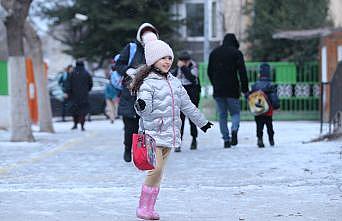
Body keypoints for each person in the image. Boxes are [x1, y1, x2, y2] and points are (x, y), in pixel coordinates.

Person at [131, 40, 213, 220]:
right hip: (152, 135)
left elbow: (188, 106)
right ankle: (142, 207)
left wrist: (202, 123)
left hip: (170, 134)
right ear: (153, 60)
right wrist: (142, 105)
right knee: (156, 169)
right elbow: (143, 109)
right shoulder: (147, 83)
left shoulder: (175, 82)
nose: (167, 61)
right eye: (163, 58)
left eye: (169, 58)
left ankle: (150, 208)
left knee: (159, 173)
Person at [116, 23, 159, 162]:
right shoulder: (131, 48)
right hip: (130, 94)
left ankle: (143, 154)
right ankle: (128, 149)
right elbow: (119, 65)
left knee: (148, 126)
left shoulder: (158, 50)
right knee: (130, 126)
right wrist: (130, 71)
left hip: (150, 94)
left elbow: (165, 67)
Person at [207, 33, 249, 148]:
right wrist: (245, 89)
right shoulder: (236, 53)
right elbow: (242, 73)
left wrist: (215, 84)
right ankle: (234, 130)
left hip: (219, 90)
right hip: (233, 89)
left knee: (222, 115)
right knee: (235, 113)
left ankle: (226, 139)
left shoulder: (214, 53)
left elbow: (209, 72)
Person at [171, 51, 201, 152]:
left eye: (185, 61)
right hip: (180, 95)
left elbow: (192, 78)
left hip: (192, 95)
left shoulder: (194, 66)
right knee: (180, 120)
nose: (184, 63)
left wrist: (184, 68)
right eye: (182, 61)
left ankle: (194, 139)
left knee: (192, 119)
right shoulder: (178, 68)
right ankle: (178, 143)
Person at [250, 63, 279, 148]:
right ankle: (271, 139)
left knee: (259, 126)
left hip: (258, 109)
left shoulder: (255, 85)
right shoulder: (270, 85)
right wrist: (276, 105)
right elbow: (273, 97)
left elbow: (250, 96)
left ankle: (260, 139)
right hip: (268, 110)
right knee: (269, 126)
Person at [65, 60, 93, 131]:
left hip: (74, 96)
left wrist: (69, 92)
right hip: (84, 96)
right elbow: (90, 84)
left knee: (75, 110)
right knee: (83, 111)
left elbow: (68, 84)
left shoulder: (72, 73)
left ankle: (75, 124)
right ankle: (82, 126)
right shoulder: (86, 73)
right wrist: (87, 90)